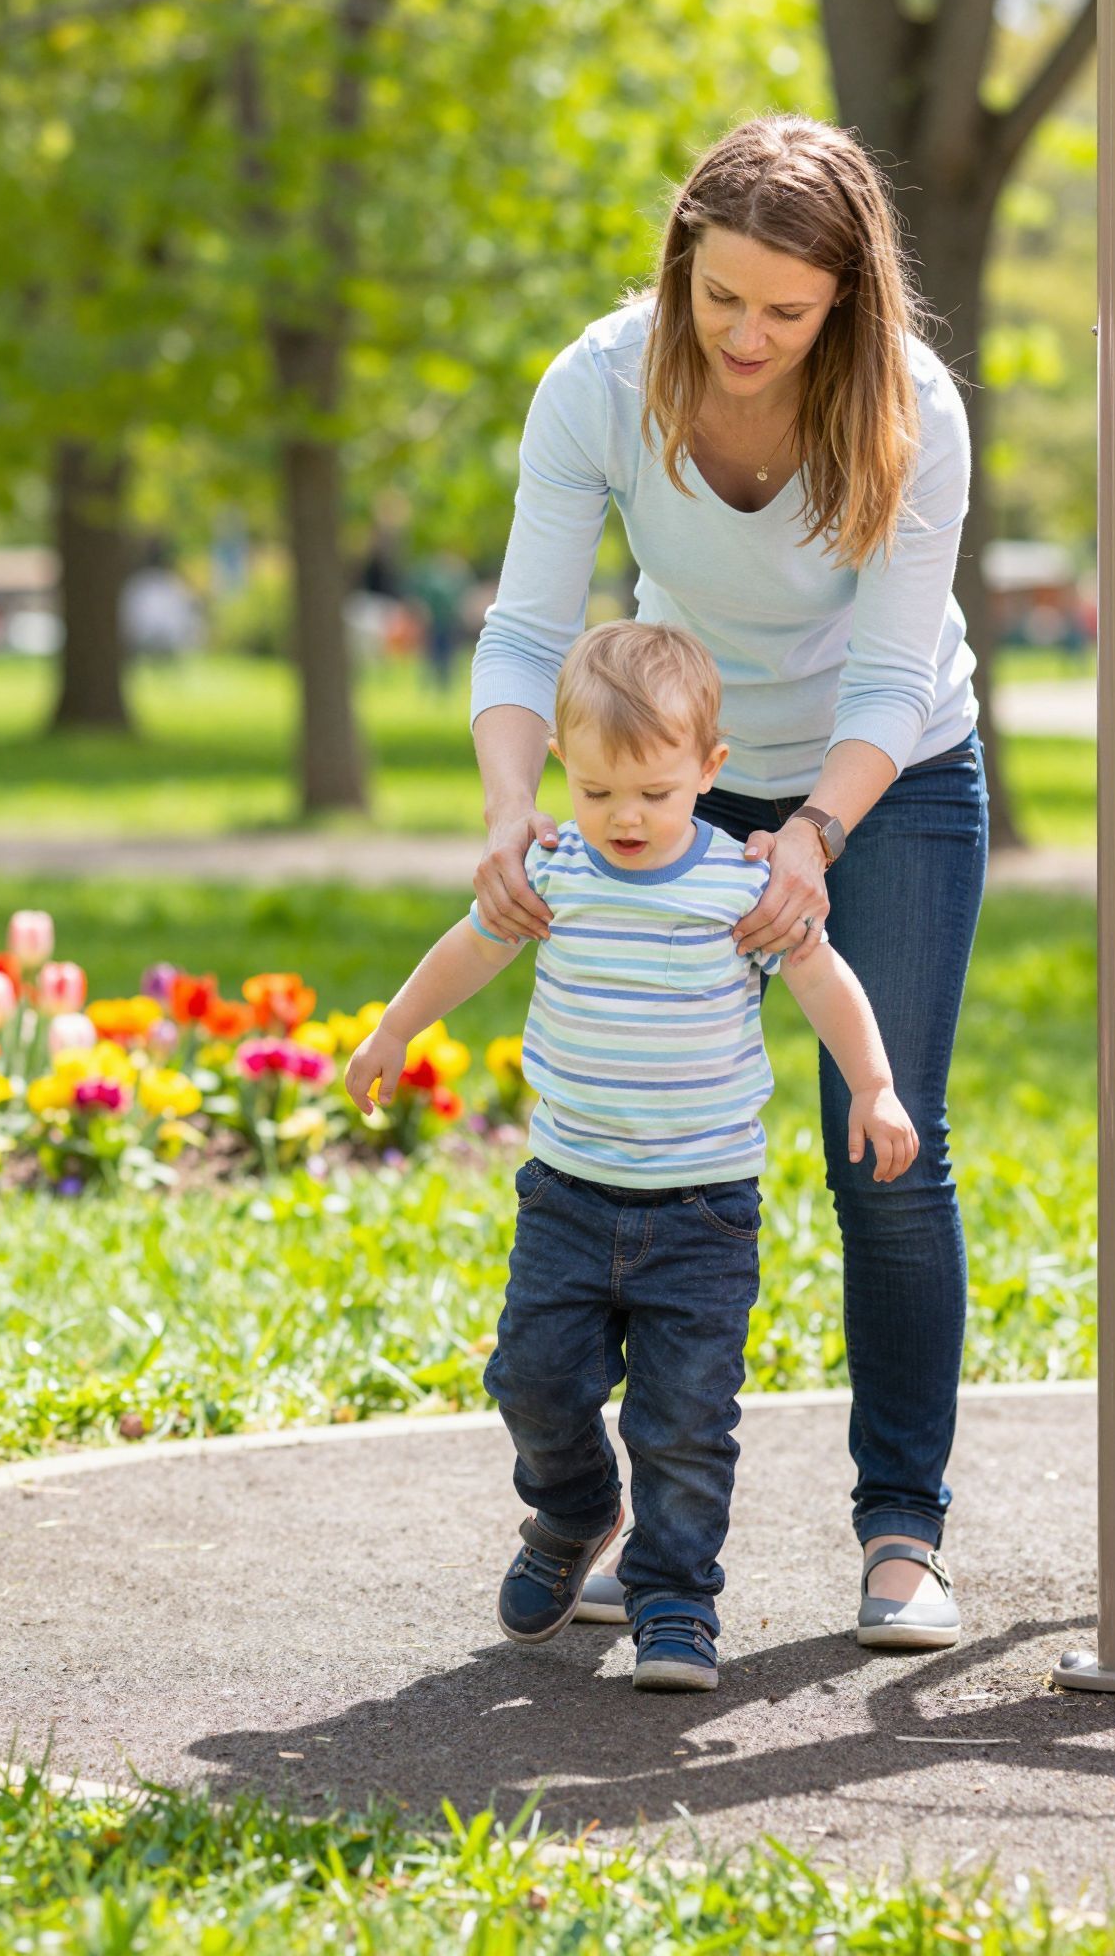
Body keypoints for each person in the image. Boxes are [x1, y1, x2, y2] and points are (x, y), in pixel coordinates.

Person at [468, 113, 987, 1648]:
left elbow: (894, 672)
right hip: (674, 765)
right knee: (651, 1155)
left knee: (882, 1145)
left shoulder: (911, 405)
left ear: (848, 301)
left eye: (790, 311)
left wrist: (814, 837)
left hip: (880, 778)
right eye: (722, 300)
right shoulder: (601, 383)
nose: (749, 336)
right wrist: (510, 808)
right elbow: (524, 627)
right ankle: (650, 1518)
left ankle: (903, 1532)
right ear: (680, 264)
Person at [346, 622, 917, 1692]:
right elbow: (470, 947)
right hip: (567, 1197)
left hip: (702, 1213)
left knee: (686, 1422)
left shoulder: (741, 885)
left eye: (655, 792)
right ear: (566, 767)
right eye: (601, 791)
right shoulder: (557, 868)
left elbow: (826, 982)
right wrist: (394, 1028)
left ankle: (673, 1599)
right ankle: (572, 1511)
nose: (626, 817)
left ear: (710, 770)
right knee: (530, 1376)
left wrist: (876, 1083)